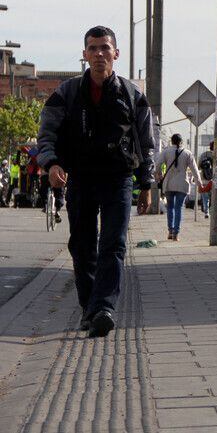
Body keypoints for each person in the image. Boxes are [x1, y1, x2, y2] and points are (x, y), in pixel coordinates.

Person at [37, 25, 155, 337]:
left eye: (105, 48)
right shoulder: (67, 93)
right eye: (93, 48)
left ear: (116, 54)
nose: (100, 54)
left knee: (113, 244)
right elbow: (46, 134)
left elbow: (146, 143)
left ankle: (104, 307)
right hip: (81, 178)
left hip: (118, 179)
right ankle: (89, 307)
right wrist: (51, 164)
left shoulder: (133, 95)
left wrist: (147, 184)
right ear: (85, 55)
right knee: (82, 245)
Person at [156, 133, 201, 241]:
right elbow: (194, 169)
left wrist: (159, 175)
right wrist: (199, 182)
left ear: (171, 141)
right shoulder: (187, 153)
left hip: (169, 184)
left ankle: (170, 231)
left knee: (170, 208)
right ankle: (176, 234)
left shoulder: (166, 151)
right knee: (178, 208)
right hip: (182, 184)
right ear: (181, 142)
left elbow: (158, 164)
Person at [197, 142, 214, 217]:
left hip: (204, 179)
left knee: (205, 198)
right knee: (215, 197)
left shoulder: (204, 154)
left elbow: (199, 166)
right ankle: (214, 211)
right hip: (215, 180)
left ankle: (207, 212)